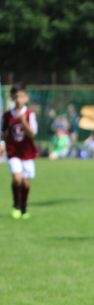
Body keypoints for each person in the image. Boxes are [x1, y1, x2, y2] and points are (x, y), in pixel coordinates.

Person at [3, 83, 39, 220]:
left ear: (26, 98)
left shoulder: (30, 115)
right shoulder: (7, 116)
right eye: (16, 96)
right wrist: (2, 144)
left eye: (22, 96)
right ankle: (16, 206)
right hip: (13, 152)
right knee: (17, 179)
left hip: (27, 153)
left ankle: (24, 207)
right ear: (12, 98)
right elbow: (2, 132)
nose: (19, 99)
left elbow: (32, 134)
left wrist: (23, 122)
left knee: (25, 183)